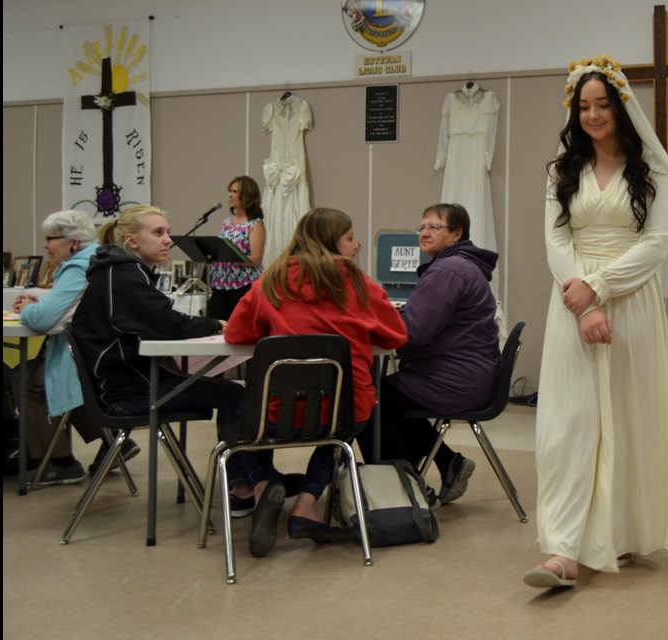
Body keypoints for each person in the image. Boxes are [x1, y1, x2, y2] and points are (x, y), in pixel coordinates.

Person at [523, 56, 668, 588]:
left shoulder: (654, 172)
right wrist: (584, 300)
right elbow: (555, 239)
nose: (593, 114)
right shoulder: (561, 170)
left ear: (620, 107)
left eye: (602, 105)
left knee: (625, 415)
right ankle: (564, 549)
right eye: (584, 106)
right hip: (571, 298)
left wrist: (604, 287)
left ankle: (620, 532)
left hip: (631, 299)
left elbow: (657, 243)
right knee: (569, 422)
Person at [225, 207, 407, 557]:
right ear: (331, 243)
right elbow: (398, 335)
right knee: (339, 431)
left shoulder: (271, 282)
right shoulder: (358, 284)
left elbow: (236, 332)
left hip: (276, 416)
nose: (356, 245)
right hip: (345, 412)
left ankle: (264, 488)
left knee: (236, 407)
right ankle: (306, 504)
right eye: (350, 237)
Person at [71, 205, 245, 467]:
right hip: (128, 394)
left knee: (226, 390)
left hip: (127, 384)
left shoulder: (119, 270)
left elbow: (159, 322)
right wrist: (217, 325)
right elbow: (169, 324)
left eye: (168, 232)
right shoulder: (124, 275)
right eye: (158, 232)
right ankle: (245, 485)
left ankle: (245, 481)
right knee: (239, 396)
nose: (168, 240)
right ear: (132, 241)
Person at [356, 203, 501, 505]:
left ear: (456, 233)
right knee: (384, 396)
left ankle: (402, 493)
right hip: (470, 374)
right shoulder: (459, 265)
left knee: (367, 403)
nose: (424, 233)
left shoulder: (448, 270)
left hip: (453, 379)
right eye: (421, 227)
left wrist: (377, 320)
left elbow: (415, 332)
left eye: (434, 227)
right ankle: (448, 463)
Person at [10, 210, 112, 485]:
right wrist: (38, 303)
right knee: (52, 379)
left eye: (50, 239)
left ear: (73, 242)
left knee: (26, 379)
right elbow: (66, 305)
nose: (45, 246)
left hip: (83, 360)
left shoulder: (78, 266)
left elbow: (46, 320)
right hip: (101, 357)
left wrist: (29, 310)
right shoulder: (97, 258)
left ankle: (58, 460)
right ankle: (112, 439)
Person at [207, 176, 265, 320]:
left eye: (234, 191)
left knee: (241, 324)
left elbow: (256, 259)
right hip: (220, 283)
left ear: (247, 195)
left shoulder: (255, 224)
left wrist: (229, 257)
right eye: (230, 191)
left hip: (242, 285)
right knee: (216, 325)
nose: (230, 195)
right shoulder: (226, 223)